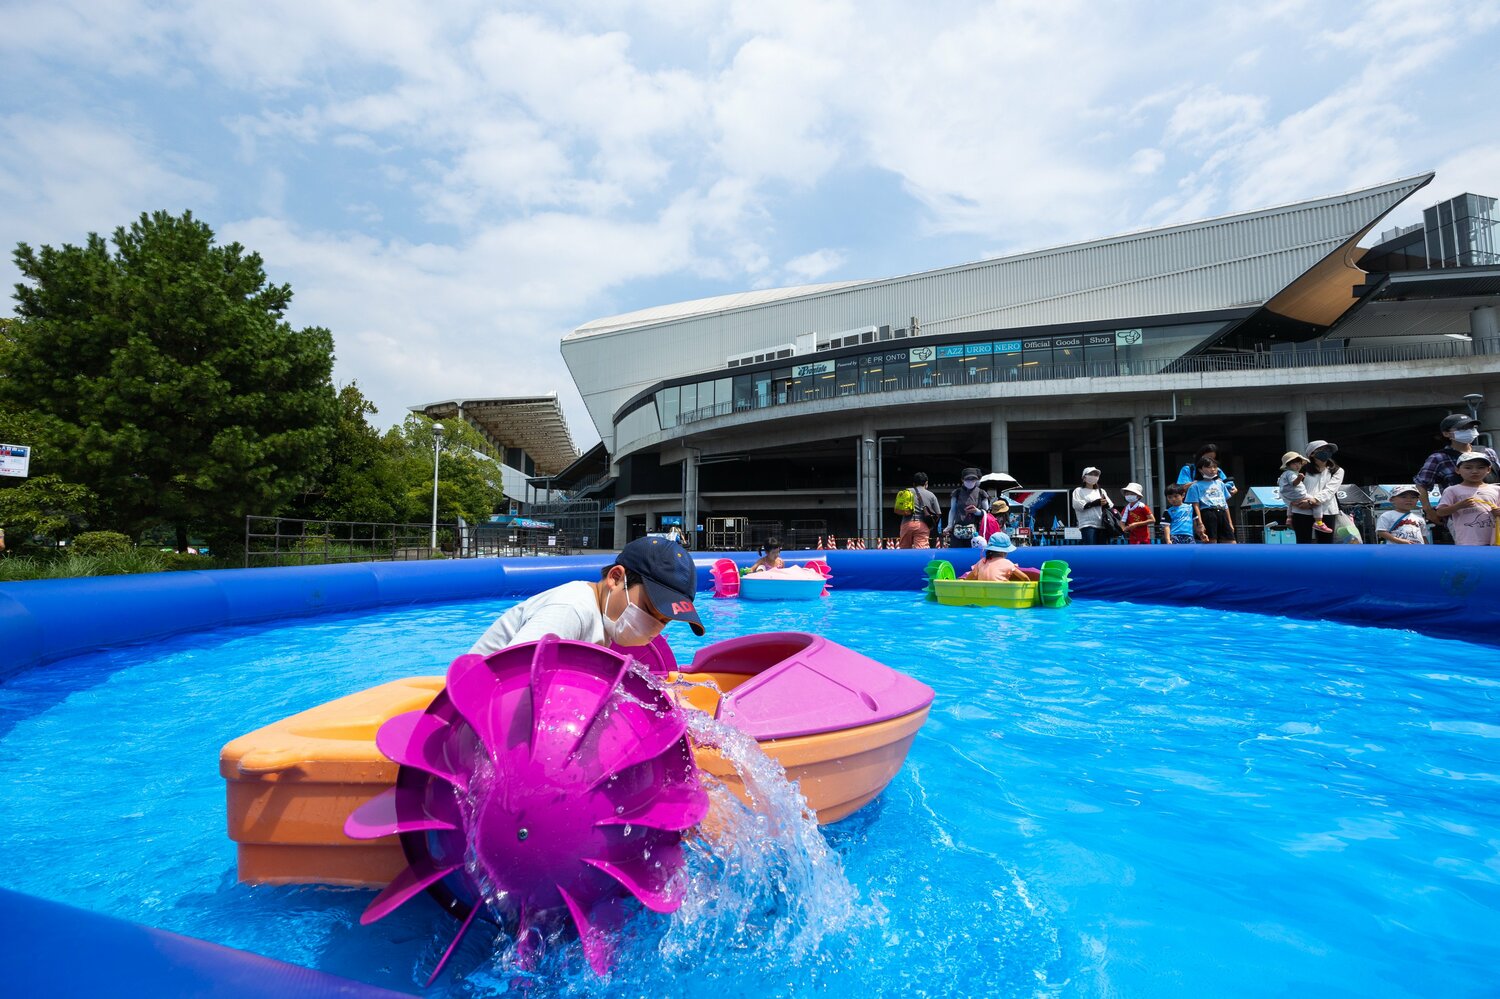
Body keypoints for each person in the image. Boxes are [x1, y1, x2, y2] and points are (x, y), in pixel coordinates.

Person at [470, 536, 705, 656]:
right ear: (615, 578)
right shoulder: (571, 608)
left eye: (664, 621)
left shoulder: (603, 623)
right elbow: (511, 676)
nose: (653, 628)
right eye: (648, 609)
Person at [1415, 414, 1500, 532]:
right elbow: (1421, 484)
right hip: (1461, 517)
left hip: (1494, 513)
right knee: (1469, 547)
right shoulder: (1439, 457)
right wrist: (1429, 511)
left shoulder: (1488, 452)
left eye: (1472, 428)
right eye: (1462, 429)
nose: (1470, 431)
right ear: (1446, 433)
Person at [1435, 452, 1500, 546]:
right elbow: (1440, 512)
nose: (1474, 471)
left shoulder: (1496, 489)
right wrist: (1458, 506)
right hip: (1468, 541)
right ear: (1457, 470)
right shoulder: (1452, 490)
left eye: (1480, 467)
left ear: (1488, 470)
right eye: (1468, 467)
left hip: (1495, 540)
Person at [1286, 440, 1344, 545]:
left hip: (1327, 510)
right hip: (1301, 509)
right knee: (1303, 542)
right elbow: (1289, 488)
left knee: (1326, 543)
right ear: (1312, 453)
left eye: (1328, 449)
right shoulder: (1302, 470)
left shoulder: (1337, 470)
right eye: (1322, 449)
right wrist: (1292, 504)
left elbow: (1330, 490)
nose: (1326, 451)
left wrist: (1312, 501)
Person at [1276, 451, 1332, 534]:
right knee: (1317, 504)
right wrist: (1300, 478)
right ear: (1288, 465)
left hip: (1290, 497)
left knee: (1291, 504)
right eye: (1294, 464)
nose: (1298, 465)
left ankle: (1289, 519)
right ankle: (1318, 523)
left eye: (1299, 463)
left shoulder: (1284, 474)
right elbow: (1294, 483)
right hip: (1300, 495)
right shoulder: (1291, 474)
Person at [1186, 457, 1236, 543]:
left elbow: (1225, 503)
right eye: (1209, 467)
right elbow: (1196, 506)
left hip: (1222, 512)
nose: (1213, 469)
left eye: (1215, 467)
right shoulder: (1195, 486)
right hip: (1208, 513)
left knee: (1231, 542)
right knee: (1211, 542)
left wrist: (1230, 522)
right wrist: (1200, 524)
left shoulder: (1220, 484)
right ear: (1200, 470)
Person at [945, 467, 990, 547]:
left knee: (974, 555)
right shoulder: (957, 492)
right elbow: (952, 510)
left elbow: (987, 512)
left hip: (975, 531)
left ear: (976, 480)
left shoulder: (982, 493)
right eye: (968, 479)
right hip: (958, 530)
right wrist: (950, 525)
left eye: (973, 479)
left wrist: (977, 511)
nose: (970, 481)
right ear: (962, 480)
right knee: (957, 554)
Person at [960, 532, 1032, 581]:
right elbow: (1025, 578)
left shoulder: (981, 562)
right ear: (1004, 552)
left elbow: (968, 578)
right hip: (1001, 594)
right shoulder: (1007, 563)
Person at [898, 472, 943, 549]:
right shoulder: (931, 495)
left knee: (904, 549)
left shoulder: (906, 492)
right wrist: (931, 523)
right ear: (926, 483)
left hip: (906, 524)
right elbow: (938, 513)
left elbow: (899, 509)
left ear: (914, 483)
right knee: (922, 550)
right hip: (922, 525)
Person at [1071, 466, 1112, 545]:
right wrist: (1094, 503)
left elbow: (1110, 505)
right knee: (1090, 549)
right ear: (1084, 477)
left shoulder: (1101, 491)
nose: (1093, 476)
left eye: (1096, 475)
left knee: (1102, 551)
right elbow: (1077, 505)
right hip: (1087, 524)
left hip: (1102, 524)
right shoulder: (1078, 490)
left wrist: (1105, 503)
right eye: (1091, 474)